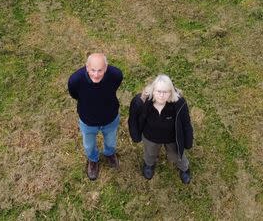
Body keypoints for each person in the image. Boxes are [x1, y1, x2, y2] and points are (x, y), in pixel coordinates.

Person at [128, 74, 194, 184]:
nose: (162, 95)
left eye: (166, 92)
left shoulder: (179, 104)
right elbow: (133, 118)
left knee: (177, 155)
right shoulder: (145, 103)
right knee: (150, 153)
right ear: (153, 91)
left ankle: (184, 169)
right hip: (151, 136)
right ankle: (149, 164)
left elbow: (186, 123)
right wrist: (135, 134)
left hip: (172, 138)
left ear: (171, 92)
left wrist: (188, 141)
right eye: (158, 91)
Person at [67, 53, 123, 181]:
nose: (96, 74)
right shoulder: (75, 80)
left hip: (110, 119)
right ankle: (93, 160)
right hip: (88, 121)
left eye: (100, 70)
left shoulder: (115, 75)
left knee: (111, 141)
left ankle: (109, 154)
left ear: (106, 68)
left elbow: (116, 85)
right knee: (89, 145)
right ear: (87, 67)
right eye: (93, 70)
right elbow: (74, 94)